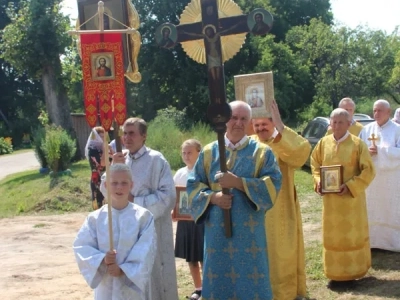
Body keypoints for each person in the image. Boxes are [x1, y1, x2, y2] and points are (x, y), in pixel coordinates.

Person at [187, 100, 282, 299]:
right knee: (219, 279)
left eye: (243, 119)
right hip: (217, 232)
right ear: (225, 120)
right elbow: (193, 186)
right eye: (233, 118)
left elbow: (273, 185)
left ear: (249, 123)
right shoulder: (207, 152)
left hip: (249, 232)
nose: (238, 123)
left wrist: (239, 182)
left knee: (251, 280)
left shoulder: (262, 152)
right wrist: (214, 198)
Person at [100, 117, 178, 300]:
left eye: (131, 133)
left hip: (151, 230)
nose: (126, 138)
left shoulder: (156, 160)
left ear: (144, 136)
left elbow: (167, 197)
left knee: (152, 276)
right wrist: (113, 166)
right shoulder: (121, 159)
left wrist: (134, 201)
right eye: (124, 133)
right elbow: (105, 191)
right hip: (124, 232)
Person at [251, 99, 310, 299]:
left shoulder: (282, 140)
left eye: (264, 125)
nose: (260, 129)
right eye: (257, 125)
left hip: (280, 207)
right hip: (255, 209)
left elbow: (301, 154)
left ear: (273, 124)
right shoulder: (250, 143)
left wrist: (281, 127)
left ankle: (283, 293)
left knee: (280, 252)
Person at [311, 108, 375, 287]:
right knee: (333, 238)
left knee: (351, 237)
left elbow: (368, 170)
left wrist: (349, 186)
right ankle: (334, 273)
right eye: (334, 122)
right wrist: (318, 182)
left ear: (348, 124)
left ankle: (352, 273)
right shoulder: (323, 143)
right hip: (331, 204)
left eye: (341, 122)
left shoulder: (357, 144)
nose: (337, 125)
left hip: (351, 203)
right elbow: (315, 165)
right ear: (330, 123)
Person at [73, 163, 156, 300]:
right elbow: (82, 246)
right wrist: (102, 259)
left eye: (124, 183)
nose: (119, 187)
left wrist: (124, 270)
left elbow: (146, 250)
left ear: (131, 185)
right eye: (114, 183)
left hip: (130, 289)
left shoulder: (143, 217)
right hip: (106, 286)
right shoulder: (95, 219)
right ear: (106, 185)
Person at [359, 99, 400, 251]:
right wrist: (366, 152)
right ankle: (372, 241)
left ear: (388, 112)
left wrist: (381, 152)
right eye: (374, 110)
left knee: (390, 208)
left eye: (380, 110)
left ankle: (392, 242)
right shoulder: (367, 129)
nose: (376, 113)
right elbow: (359, 149)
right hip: (372, 179)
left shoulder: (397, 130)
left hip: (392, 179)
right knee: (371, 208)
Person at [173, 139, 204, 300]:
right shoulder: (179, 173)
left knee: (204, 256)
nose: (186, 156)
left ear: (199, 152)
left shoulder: (205, 172)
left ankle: (209, 287)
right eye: (184, 153)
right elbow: (175, 197)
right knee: (191, 257)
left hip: (202, 220)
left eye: (190, 152)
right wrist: (174, 210)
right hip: (185, 221)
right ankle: (198, 289)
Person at [85, 127, 106, 210]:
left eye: (104, 137)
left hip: (105, 179)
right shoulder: (92, 150)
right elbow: (102, 164)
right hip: (97, 180)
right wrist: (105, 149)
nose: (103, 139)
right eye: (101, 136)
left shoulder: (101, 149)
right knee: (99, 204)